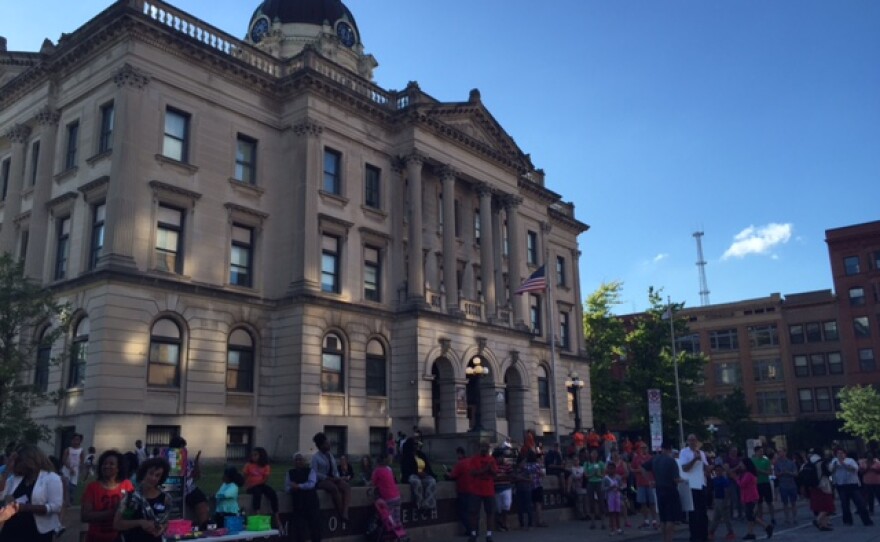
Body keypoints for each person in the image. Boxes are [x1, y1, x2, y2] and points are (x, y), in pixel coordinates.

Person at [0, 445, 64, 542]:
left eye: (18, 461)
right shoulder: (16, 478)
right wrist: (8, 468)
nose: (16, 464)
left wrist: (25, 507)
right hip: (12, 528)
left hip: (36, 531)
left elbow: (56, 506)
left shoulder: (51, 478)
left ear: (29, 461)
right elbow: (1, 494)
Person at [113, 457, 172, 542]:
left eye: (157, 475)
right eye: (151, 473)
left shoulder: (166, 498)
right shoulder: (130, 498)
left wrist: (161, 528)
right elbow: (117, 524)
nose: (153, 478)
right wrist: (140, 522)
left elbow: (166, 522)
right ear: (144, 473)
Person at [82, 450, 136, 542]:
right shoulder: (92, 487)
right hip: (96, 538)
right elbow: (85, 516)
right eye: (104, 463)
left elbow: (132, 511)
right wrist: (114, 511)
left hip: (120, 538)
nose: (107, 466)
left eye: (111, 464)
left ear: (118, 468)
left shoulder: (127, 485)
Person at [168, 436, 210, 529]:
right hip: (173, 489)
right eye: (182, 447)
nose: (184, 449)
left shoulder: (187, 461)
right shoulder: (167, 460)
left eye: (184, 447)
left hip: (189, 489)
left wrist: (196, 462)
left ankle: (204, 526)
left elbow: (196, 476)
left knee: (202, 503)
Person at [644, 439, 682, 542]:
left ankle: (664, 539)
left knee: (663, 518)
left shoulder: (655, 459)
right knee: (671, 519)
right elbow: (676, 479)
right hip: (670, 490)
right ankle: (669, 539)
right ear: (670, 449)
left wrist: (650, 480)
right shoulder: (671, 461)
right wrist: (682, 481)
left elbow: (643, 467)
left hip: (659, 490)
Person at [311, 432, 351, 522]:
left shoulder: (330, 455)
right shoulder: (315, 457)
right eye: (326, 443)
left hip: (333, 478)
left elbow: (335, 470)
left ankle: (345, 512)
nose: (329, 445)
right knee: (333, 488)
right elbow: (314, 473)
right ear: (321, 446)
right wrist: (327, 478)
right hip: (321, 481)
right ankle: (341, 514)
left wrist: (337, 477)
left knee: (346, 487)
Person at [830, 448, 873, 526]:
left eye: (841, 453)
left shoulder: (850, 460)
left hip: (852, 485)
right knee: (844, 504)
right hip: (841, 485)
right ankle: (847, 521)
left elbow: (855, 469)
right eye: (838, 453)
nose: (840, 455)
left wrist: (843, 464)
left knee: (860, 503)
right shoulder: (834, 462)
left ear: (845, 454)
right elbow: (831, 471)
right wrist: (835, 466)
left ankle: (867, 520)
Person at [679, 433, 709, 542]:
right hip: (691, 485)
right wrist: (694, 460)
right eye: (690, 440)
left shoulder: (701, 453)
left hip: (701, 484)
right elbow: (684, 468)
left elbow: (706, 468)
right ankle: (694, 537)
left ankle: (704, 536)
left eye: (694, 440)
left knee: (703, 513)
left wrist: (708, 466)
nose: (692, 442)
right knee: (693, 513)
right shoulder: (684, 452)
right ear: (688, 441)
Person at [286, 452, 321, 542]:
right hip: (298, 504)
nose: (298, 462)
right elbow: (287, 487)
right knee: (299, 530)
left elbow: (311, 484)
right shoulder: (290, 473)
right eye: (296, 460)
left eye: (300, 459)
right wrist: (292, 488)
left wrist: (298, 486)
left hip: (311, 503)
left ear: (304, 461)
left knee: (315, 528)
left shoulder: (310, 471)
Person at [468, 441, 497, 542]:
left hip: (489, 490)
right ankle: (473, 533)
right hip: (476, 490)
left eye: (486, 447)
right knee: (474, 512)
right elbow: (472, 472)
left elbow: (495, 473)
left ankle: (489, 535)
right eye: (482, 447)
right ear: (479, 448)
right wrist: (485, 469)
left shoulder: (491, 459)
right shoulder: (474, 459)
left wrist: (490, 469)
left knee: (490, 512)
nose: (484, 449)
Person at [736, 458, 773, 540]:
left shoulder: (749, 474)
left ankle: (766, 526)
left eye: (741, 464)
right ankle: (750, 533)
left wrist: (737, 479)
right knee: (750, 516)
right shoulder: (746, 473)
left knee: (750, 515)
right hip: (748, 496)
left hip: (751, 497)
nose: (740, 465)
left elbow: (742, 484)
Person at [243, 446, 280, 527]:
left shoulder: (266, 466)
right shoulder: (248, 465)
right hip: (251, 487)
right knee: (257, 493)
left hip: (261, 484)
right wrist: (247, 485)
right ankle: (257, 513)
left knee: (272, 493)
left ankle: (276, 516)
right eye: (252, 455)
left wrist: (258, 484)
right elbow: (245, 476)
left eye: (256, 455)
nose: (253, 457)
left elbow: (265, 479)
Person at [400, 438, 437, 510]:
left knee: (432, 481)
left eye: (417, 444)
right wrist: (417, 473)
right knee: (416, 482)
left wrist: (426, 473)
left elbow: (427, 467)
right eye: (414, 444)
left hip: (423, 474)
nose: (416, 446)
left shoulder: (421, 455)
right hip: (411, 475)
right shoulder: (406, 456)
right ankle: (418, 504)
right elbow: (406, 470)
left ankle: (428, 504)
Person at [630, 441, 658, 529]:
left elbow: (654, 469)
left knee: (652, 503)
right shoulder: (636, 458)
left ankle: (654, 521)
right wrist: (639, 471)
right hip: (640, 483)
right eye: (642, 448)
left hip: (650, 483)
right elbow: (632, 468)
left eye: (645, 448)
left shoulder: (651, 458)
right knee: (643, 503)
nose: (643, 449)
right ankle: (645, 520)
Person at [370, 452, 402, 529]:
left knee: (388, 518)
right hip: (397, 497)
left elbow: (373, 483)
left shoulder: (377, 471)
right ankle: (399, 532)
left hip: (388, 499)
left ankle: (388, 530)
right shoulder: (389, 470)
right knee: (397, 519)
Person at [445, 446, 472, 535]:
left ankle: (470, 529)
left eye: (457, 454)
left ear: (460, 454)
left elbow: (452, 476)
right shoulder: (470, 462)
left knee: (462, 511)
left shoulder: (460, 464)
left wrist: (448, 473)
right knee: (470, 511)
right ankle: (474, 529)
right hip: (473, 490)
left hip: (464, 490)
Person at [707, 464, 735, 542]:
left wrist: (726, 501)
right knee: (716, 517)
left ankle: (731, 532)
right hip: (717, 499)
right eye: (716, 470)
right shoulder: (715, 479)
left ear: (722, 471)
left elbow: (727, 491)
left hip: (723, 500)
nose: (718, 472)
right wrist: (713, 500)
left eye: (720, 470)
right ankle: (711, 532)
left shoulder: (724, 480)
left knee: (726, 518)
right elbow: (713, 491)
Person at [772, 448, 798, 526]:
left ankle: (794, 517)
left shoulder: (791, 463)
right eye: (779, 452)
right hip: (783, 484)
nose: (780, 453)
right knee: (785, 502)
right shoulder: (777, 464)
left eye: (781, 452)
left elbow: (796, 473)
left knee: (793, 502)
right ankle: (787, 518)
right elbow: (776, 475)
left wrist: (789, 472)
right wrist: (781, 473)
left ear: (785, 452)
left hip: (791, 484)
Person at [751, 445, 775, 525]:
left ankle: (772, 518)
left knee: (769, 501)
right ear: (756, 452)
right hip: (757, 484)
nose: (761, 453)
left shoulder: (766, 460)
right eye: (759, 451)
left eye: (762, 451)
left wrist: (760, 471)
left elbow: (769, 472)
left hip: (765, 482)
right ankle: (761, 518)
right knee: (759, 502)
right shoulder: (753, 461)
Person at [585, 447, 606, 529]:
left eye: (595, 454)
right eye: (592, 453)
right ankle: (592, 522)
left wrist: (598, 474)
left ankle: (603, 522)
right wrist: (592, 474)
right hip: (590, 482)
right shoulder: (587, 463)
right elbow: (586, 475)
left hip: (599, 482)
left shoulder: (600, 463)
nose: (594, 455)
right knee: (591, 502)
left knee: (601, 501)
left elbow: (603, 474)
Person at [492, 449, 512, 532]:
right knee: (498, 508)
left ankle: (505, 523)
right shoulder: (492, 466)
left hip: (506, 487)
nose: (501, 459)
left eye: (502, 457)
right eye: (499, 457)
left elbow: (510, 475)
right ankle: (500, 524)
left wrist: (500, 477)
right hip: (497, 489)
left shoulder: (507, 465)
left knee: (507, 505)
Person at [722, 446, 744, 520]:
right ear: (730, 451)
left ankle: (741, 514)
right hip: (731, 480)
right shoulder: (727, 459)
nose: (735, 452)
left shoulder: (738, 459)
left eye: (736, 451)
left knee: (740, 496)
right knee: (733, 497)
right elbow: (728, 470)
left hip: (739, 479)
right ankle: (731, 514)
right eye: (733, 451)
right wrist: (737, 467)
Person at [62, 433, 85, 505]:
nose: (75, 441)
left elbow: (82, 461)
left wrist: (81, 471)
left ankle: (70, 501)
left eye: (77, 440)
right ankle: (65, 500)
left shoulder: (81, 450)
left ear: (80, 441)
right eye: (74, 439)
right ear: (71, 440)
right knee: (66, 485)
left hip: (75, 470)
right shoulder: (68, 449)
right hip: (67, 469)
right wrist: (69, 468)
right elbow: (64, 460)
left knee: (73, 486)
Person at [603, 462, 623, 535]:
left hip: (617, 496)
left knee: (617, 513)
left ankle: (618, 528)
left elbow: (622, 486)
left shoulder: (618, 477)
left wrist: (619, 488)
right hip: (610, 497)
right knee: (611, 513)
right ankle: (612, 528)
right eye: (609, 469)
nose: (610, 470)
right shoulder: (605, 478)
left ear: (615, 469)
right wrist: (609, 488)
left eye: (612, 469)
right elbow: (603, 488)